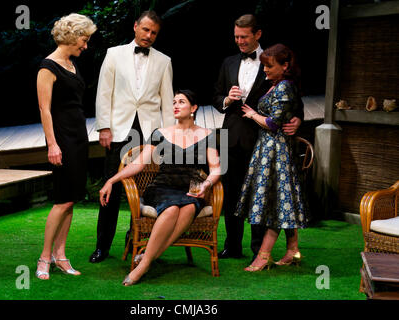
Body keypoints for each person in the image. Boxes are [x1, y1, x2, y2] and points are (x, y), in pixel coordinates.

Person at [99, 90, 221, 285]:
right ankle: (146, 263)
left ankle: (146, 259)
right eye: (174, 102)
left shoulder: (208, 135)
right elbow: (138, 164)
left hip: (193, 187)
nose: (176, 105)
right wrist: (111, 180)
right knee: (172, 208)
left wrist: (206, 184)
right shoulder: (160, 133)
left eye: (181, 102)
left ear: (193, 108)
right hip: (163, 186)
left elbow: (215, 169)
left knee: (189, 207)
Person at [212, 14, 303, 261]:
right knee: (231, 193)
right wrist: (227, 100)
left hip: (262, 140)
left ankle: (257, 249)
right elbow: (216, 97)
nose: (239, 41)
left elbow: (295, 104)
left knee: (258, 195)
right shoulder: (228, 62)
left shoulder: (272, 61)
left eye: (244, 37)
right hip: (231, 137)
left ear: (257, 34)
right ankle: (232, 245)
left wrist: (298, 120)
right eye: (236, 37)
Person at [90, 10, 175, 263]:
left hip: (149, 133)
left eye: (154, 33)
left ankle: (136, 243)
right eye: (146, 30)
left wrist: (168, 137)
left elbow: (168, 103)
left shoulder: (164, 61)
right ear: (135, 27)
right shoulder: (113, 54)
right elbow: (104, 92)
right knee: (112, 187)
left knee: (143, 191)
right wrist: (104, 127)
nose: (149, 36)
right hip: (117, 130)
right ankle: (102, 247)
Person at [235, 43, 308, 272]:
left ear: (285, 66)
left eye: (269, 66)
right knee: (281, 199)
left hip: (277, 151)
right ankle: (292, 249)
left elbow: (275, 124)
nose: (264, 70)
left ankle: (264, 255)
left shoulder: (285, 86)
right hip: (268, 149)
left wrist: (253, 114)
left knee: (275, 202)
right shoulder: (276, 84)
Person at [35, 13, 97, 280]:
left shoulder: (72, 65)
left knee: (71, 200)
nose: (86, 45)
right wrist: (52, 145)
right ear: (72, 37)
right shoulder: (47, 67)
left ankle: (61, 256)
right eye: (84, 40)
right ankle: (44, 258)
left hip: (78, 137)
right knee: (62, 201)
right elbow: (44, 109)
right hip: (61, 139)